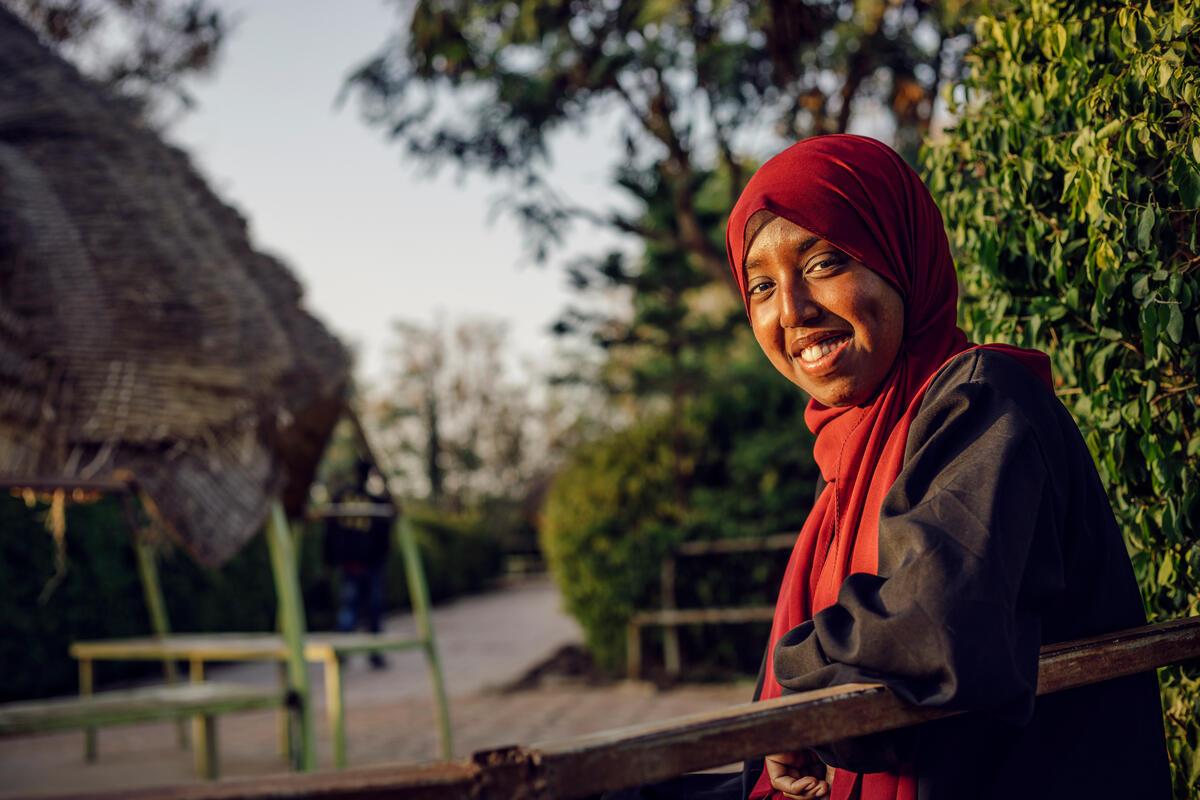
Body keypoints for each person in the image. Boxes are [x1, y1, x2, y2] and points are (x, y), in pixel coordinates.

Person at [609, 135, 1170, 800]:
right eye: (762, 285)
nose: (791, 310)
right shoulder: (847, 461)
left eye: (825, 262)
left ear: (902, 259)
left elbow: (930, 627)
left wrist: (795, 693)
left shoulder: (983, 401)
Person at [323, 460, 393, 668]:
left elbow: (330, 532)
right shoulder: (375, 501)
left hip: (355, 563)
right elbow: (386, 530)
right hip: (366, 563)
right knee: (368, 609)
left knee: (352, 608)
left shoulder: (343, 498)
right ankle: (370, 653)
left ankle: (349, 652)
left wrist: (329, 561)